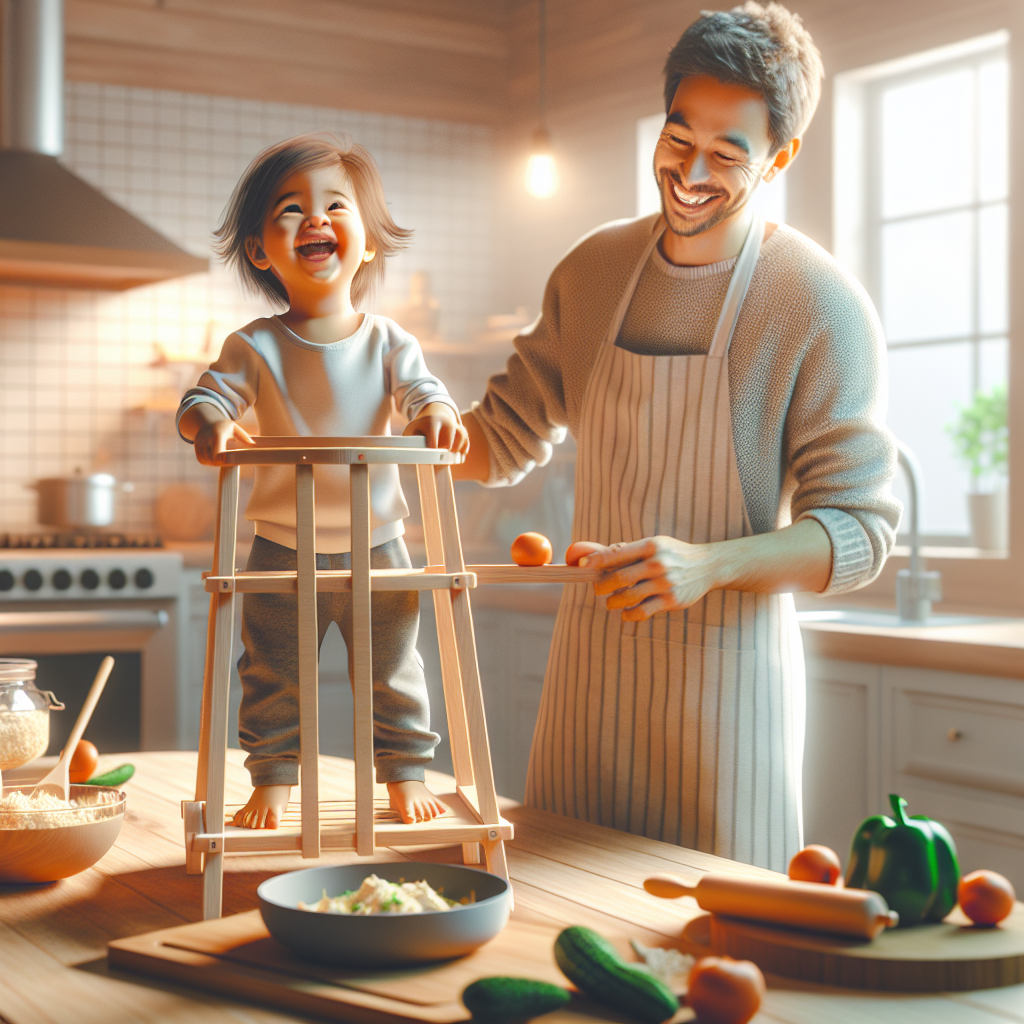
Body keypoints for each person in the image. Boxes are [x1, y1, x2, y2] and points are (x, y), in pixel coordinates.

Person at [455, 3, 900, 871]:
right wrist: (375, 387)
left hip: (726, 700)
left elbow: (860, 532)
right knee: (564, 930)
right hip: (588, 687)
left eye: (727, 153)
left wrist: (706, 566)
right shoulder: (591, 271)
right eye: (676, 137)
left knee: (715, 967)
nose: (690, 171)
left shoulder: (817, 303)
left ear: (780, 156)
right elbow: (497, 439)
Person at [177, 134, 468, 830]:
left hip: (379, 542)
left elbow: (427, 395)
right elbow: (200, 401)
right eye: (289, 210)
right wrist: (211, 425)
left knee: (394, 671)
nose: (314, 219)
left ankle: (403, 774)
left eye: (334, 206)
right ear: (258, 251)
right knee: (273, 672)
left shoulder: (391, 341)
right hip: (280, 544)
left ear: (367, 242)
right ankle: (272, 781)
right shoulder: (255, 345)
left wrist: (438, 414)